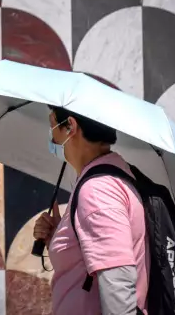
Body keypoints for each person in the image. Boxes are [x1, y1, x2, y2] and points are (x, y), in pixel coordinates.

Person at [33, 106, 148, 315]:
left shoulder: (98, 191)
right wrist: (62, 237)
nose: (51, 138)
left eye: (53, 126)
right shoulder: (110, 175)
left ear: (71, 126)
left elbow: (119, 293)